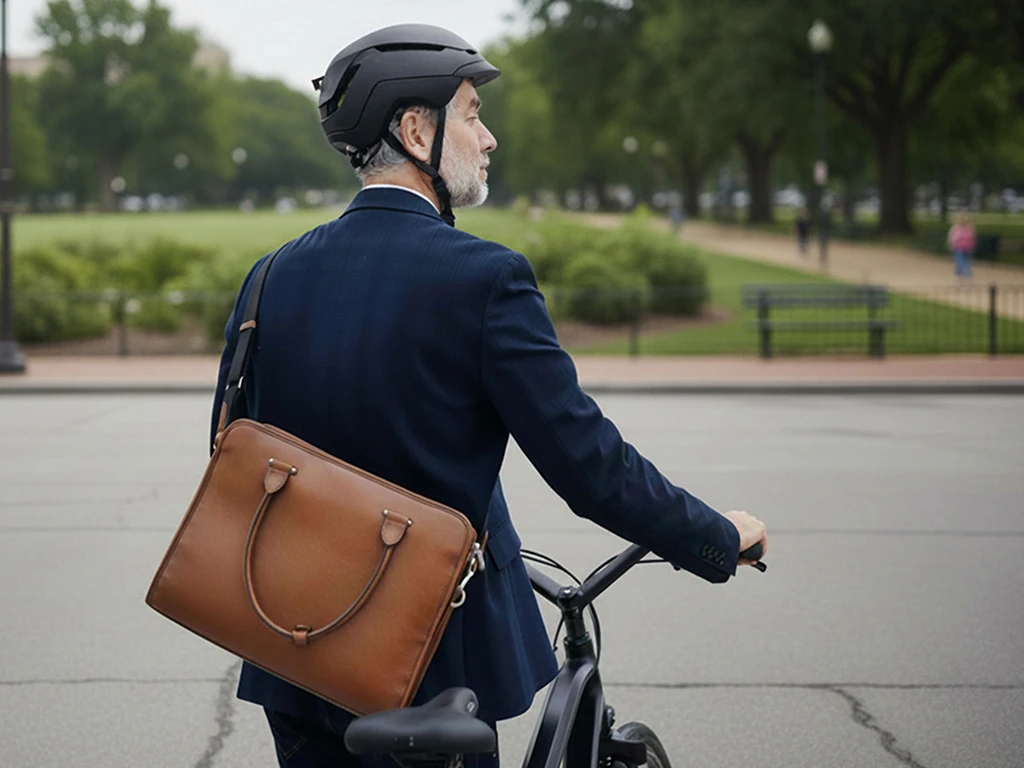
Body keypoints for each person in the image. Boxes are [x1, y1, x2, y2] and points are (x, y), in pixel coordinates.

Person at [210, 24, 768, 768]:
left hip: (296, 645)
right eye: (472, 114)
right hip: (430, 662)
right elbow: (590, 467)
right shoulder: (485, 278)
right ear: (416, 131)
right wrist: (717, 537)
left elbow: (233, 448)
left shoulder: (270, 274)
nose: (489, 137)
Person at [947, 212, 977, 281]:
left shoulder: (956, 227)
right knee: (964, 261)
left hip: (959, 247)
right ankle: (958, 275)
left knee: (961, 262)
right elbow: (974, 237)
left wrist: (950, 244)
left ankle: (966, 275)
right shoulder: (970, 227)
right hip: (968, 247)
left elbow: (952, 237)